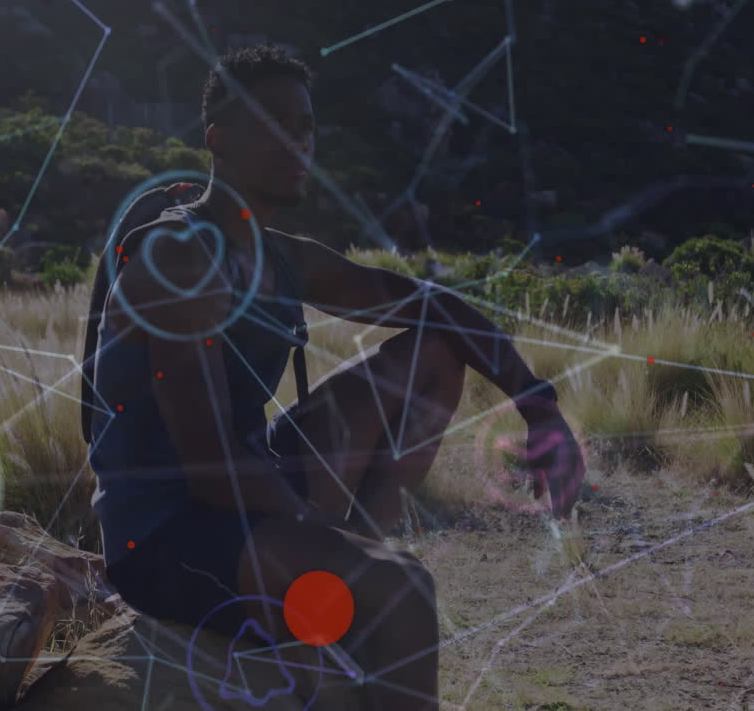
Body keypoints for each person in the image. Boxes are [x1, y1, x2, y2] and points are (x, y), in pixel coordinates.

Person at [88, 44, 585, 711]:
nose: (297, 140)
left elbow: (436, 308)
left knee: (433, 352)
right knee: (405, 591)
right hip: (167, 534)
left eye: (305, 124)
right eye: (273, 122)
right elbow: (209, 468)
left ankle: (352, 581)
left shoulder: (281, 258)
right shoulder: (180, 257)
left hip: (251, 488)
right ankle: (356, 589)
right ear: (218, 140)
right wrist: (325, 535)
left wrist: (540, 408)